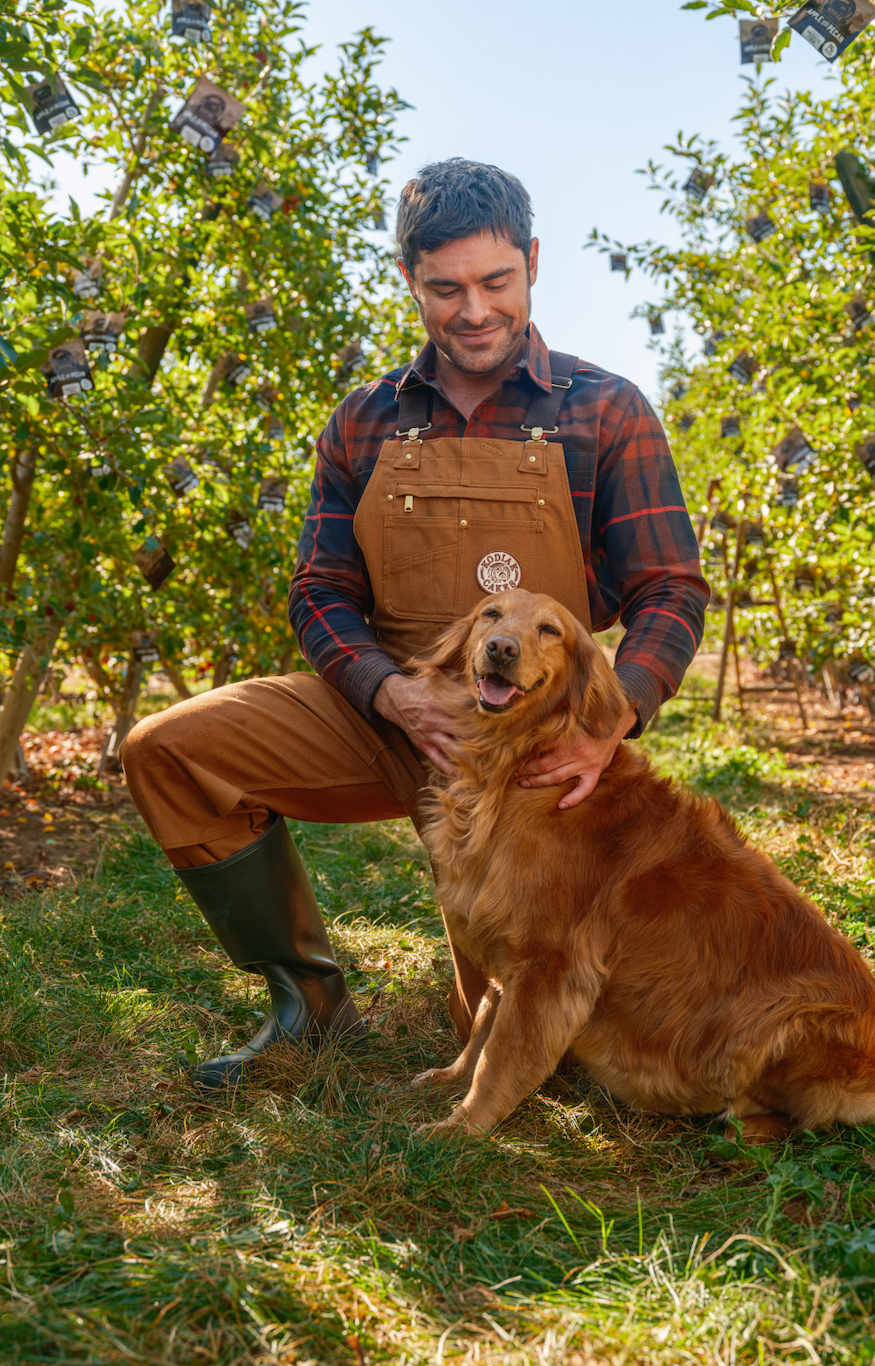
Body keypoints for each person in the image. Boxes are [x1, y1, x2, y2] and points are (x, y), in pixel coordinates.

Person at [121, 158, 709, 1090]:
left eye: (495, 282)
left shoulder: (605, 411)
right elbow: (319, 588)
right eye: (446, 288)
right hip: (386, 706)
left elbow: (670, 590)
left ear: (533, 265)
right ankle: (306, 1003)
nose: (474, 310)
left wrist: (610, 723)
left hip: (532, 753)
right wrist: (385, 690)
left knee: (524, 1030)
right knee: (168, 750)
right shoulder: (365, 420)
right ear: (410, 282)